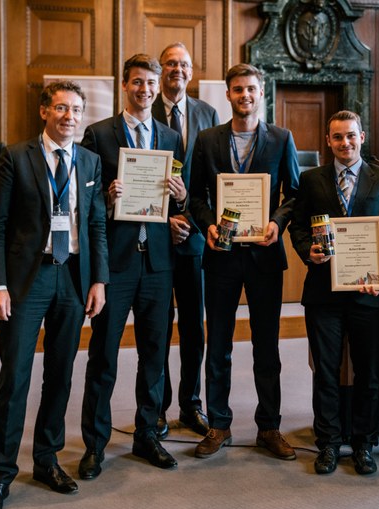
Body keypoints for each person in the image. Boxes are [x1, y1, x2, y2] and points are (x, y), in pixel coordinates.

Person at [0, 80, 109, 509]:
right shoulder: (16, 158)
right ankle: (0, 475)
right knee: (15, 377)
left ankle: (46, 460)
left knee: (60, 375)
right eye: (60, 108)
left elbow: (95, 226)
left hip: (72, 279)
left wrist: (99, 281)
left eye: (76, 109)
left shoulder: (90, 161)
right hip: (26, 284)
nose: (69, 116)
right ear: (44, 112)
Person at [79, 53, 185, 480]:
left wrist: (178, 198)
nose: (145, 90)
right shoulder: (99, 134)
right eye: (137, 82)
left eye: (151, 84)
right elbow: (84, 203)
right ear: (125, 85)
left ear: (159, 88)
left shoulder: (170, 136)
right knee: (103, 355)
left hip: (158, 263)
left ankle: (147, 435)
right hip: (116, 264)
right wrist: (106, 194)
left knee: (154, 355)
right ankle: (94, 445)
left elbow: (181, 199)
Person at [189, 63, 299, 460]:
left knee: (266, 346)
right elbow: (194, 195)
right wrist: (207, 227)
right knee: (217, 344)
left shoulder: (281, 138)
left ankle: (269, 426)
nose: (245, 96)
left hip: (265, 257)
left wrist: (276, 222)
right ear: (228, 95)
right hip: (221, 255)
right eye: (238, 90)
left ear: (261, 93)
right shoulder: (207, 139)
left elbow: (294, 194)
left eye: (251, 89)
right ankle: (219, 424)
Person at [289, 110, 379, 475]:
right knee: (326, 371)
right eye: (337, 137)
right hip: (324, 293)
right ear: (328, 141)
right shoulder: (311, 180)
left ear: (362, 136)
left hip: (369, 292)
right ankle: (329, 444)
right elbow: (299, 228)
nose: (345, 143)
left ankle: (364, 444)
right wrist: (308, 251)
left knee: (368, 372)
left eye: (351, 136)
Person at [152, 42, 220, 437]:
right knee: (159, 325)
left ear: (192, 72)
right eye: (171, 63)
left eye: (184, 64)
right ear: (161, 70)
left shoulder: (207, 114)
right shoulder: (145, 111)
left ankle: (191, 405)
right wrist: (166, 221)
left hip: (195, 235)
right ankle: (157, 408)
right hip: (157, 237)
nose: (178, 69)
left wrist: (193, 219)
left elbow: (209, 181)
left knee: (194, 327)